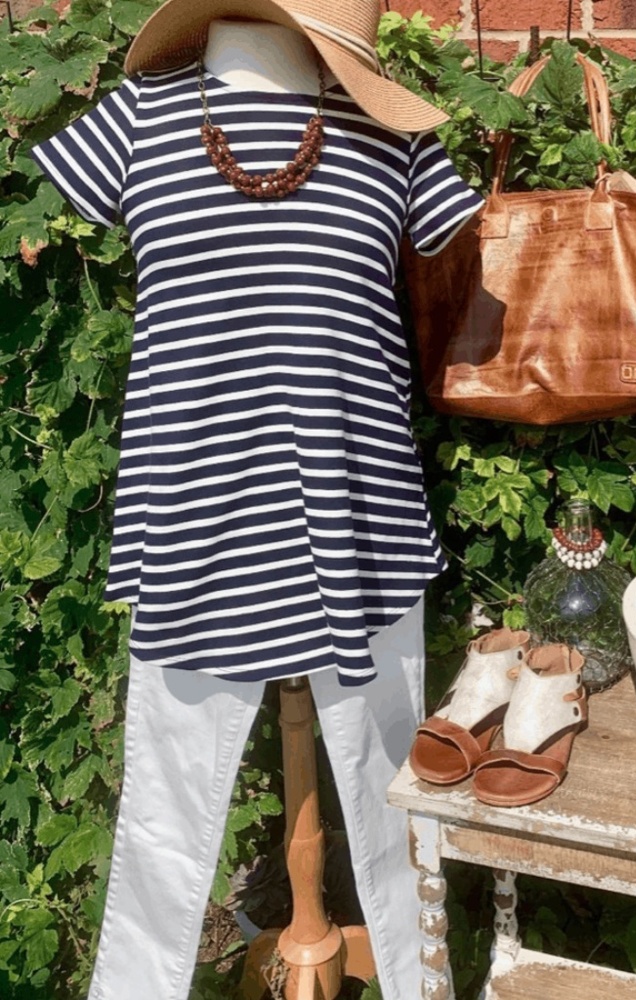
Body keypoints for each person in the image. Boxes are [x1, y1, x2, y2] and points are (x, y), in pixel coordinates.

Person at [31, 2, 483, 997]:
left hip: (359, 514)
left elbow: (456, 238)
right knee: (165, 807)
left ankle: (418, 976)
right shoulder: (134, 121)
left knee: (396, 793)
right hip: (193, 512)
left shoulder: (395, 142)